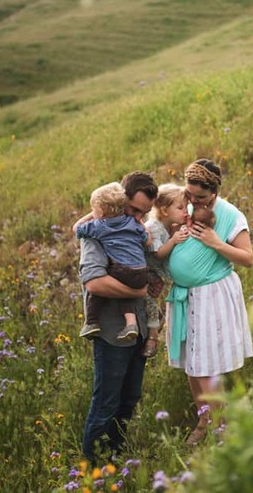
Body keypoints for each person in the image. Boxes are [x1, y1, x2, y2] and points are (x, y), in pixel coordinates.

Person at [165, 158, 253, 446]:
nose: (192, 200)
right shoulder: (186, 205)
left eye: (199, 196)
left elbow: (247, 259)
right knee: (193, 363)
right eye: (189, 194)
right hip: (186, 296)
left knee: (206, 363)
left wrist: (215, 242)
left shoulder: (230, 215)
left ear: (214, 192)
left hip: (211, 294)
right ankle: (205, 418)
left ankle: (221, 426)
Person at [77, 171, 158, 465]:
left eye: (144, 213)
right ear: (121, 198)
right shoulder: (97, 231)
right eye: (134, 210)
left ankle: (116, 458)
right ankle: (92, 469)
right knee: (106, 403)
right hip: (111, 332)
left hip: (136, 329)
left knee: (129, 400)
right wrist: (137, 291)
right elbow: (94, 283)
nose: (138, 218)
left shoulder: (133, 228)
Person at [75, 182, 151, 342]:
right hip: (142, 272)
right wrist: (140, 224)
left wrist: (93, 215)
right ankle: (131, 323)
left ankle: (92, 321)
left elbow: (76, 228)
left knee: (109, 280)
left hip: (123, 271)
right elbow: (148, 240)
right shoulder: (132, 223)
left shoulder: (98, 226)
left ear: (101, 211)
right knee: (125, 284)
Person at [142, 184, 190, 358]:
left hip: (158, 273)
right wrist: (174, 240)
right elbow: (159, 253)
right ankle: (153, 334)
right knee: (149, 301)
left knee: (157, 299)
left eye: (186, 207)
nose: (185, 211)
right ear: (164, 211)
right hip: (147, 272)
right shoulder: (154, 226)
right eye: (180, 207)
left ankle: (159, 324)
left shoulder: (169, 225)